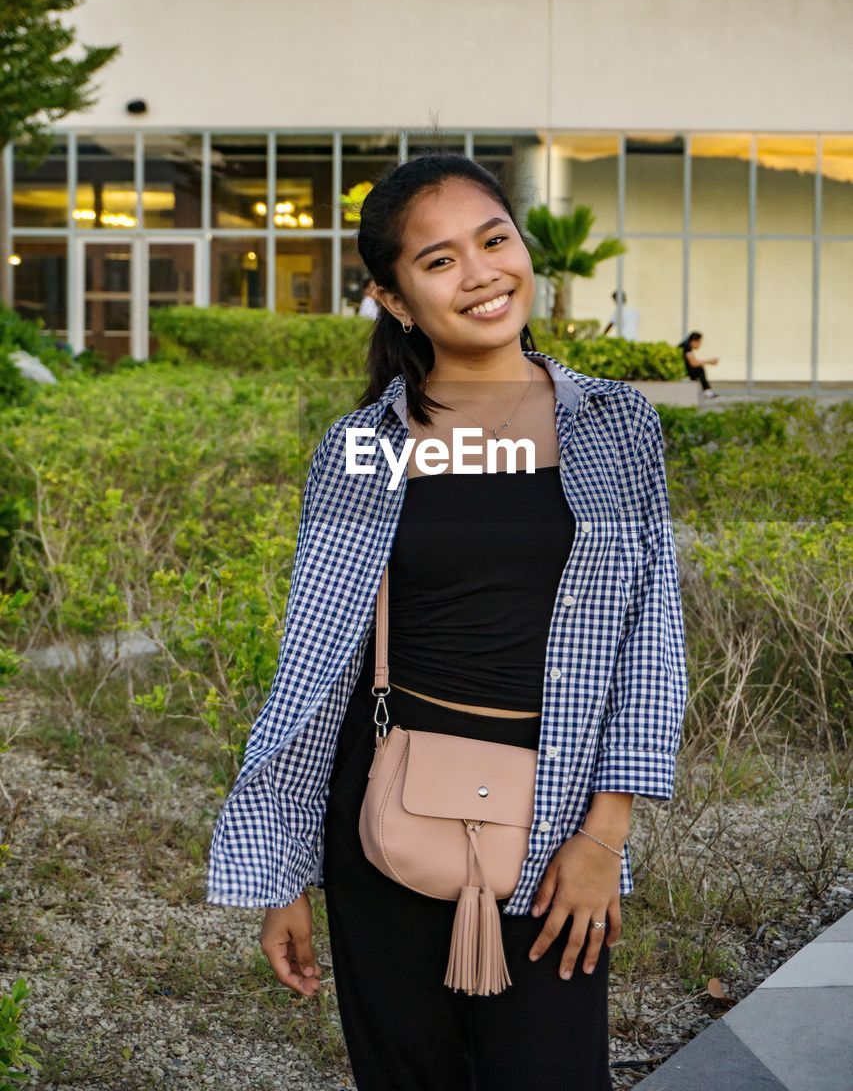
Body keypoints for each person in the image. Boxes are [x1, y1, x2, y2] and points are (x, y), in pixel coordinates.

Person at [206, 153, 689, 1091]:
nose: (480, 274)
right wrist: (285, 873)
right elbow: (315, 669)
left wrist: (604, 836)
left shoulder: (615, 425)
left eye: (494, 240)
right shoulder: (361, 449)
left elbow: (651, 637)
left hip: (554, 828)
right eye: (438, 261)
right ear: (392, 298)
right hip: (385, 808)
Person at [677, 331, 719, 398]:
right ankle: (707, 391)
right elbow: (693, 363)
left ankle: (701, 390)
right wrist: (709, 361)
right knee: (699, 369)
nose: (700, 344)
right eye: (699, 342)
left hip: (682, 370)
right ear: (694, 341)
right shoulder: (687, 347)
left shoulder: (686, 345)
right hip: (681, 372)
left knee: (698, 368)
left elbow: (693, 362)